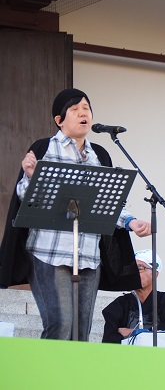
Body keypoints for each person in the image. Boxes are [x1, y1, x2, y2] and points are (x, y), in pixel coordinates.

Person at [0, 88, 151, 341]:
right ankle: (49, 380)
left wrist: (130, 222)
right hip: (49, 253)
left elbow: (107, 204)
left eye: (87, 108)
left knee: (81, 331)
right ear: (59, 120)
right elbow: (24, 199)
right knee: (60, 324)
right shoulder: (44, 148)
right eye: (75, 109)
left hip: (89, 256)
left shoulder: (99, 155)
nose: (83, 113)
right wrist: (31, 177)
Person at [102, 249, 165, 343]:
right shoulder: (119, 305)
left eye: (140, 268)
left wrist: (132, 332)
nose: (134, 273)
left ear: (155, 273)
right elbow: (109, 341)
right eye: (132, 269)